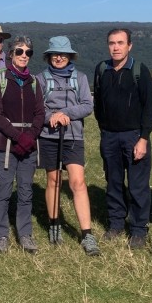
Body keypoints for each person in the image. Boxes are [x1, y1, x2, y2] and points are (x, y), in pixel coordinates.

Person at [36, 36, 99, 256]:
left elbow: (87, 105)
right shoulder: (40, 79)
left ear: (70, 56)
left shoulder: (80, 78)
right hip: (48, 136)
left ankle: (87, 234)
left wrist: (64, 114)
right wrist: (51, 117)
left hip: (73, 137)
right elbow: (37, 109)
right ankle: (54, 224)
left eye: (63, 54)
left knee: (77, 182)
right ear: (49, 56)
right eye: (55, 54)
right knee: (53, 181)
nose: (59, 57)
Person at [93, 28, 152, 249]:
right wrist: (103, 129)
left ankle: (138, 229)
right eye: (112, 43)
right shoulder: (102, 69)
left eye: (120, 43)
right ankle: (116, 224)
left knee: (138, 185)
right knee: (113, 182)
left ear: (130, 46)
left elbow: (150, 106)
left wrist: (143, 138)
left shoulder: (139, 70)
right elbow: (98, 103)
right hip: (109, 135)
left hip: (134, 136)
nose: (116, 47)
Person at [0, 35, 45, 254]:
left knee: (25, 191)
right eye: (20, 51)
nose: (24, 55)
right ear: (11, 53)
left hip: (28, 147)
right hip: (4, 145)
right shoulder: (0, 79)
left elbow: (40, 113)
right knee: (3, 191)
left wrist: (29, 137)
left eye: (28, 52)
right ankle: (1, 235)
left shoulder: (34, 82)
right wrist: (17, 137)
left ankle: (25, 234)